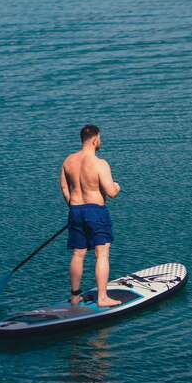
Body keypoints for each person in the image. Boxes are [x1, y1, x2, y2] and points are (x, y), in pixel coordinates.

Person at [60, 125, 122, 307]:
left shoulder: (68, 161)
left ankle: (75, 296)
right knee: (101, 253)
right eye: (100, 139)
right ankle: (102, 297)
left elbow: (64, 187)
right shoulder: (100, 164)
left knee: (78, 254)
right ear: (95, 141)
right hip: (95, 211)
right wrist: (117, 186)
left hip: (75, 209)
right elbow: (111, 192)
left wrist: (73, 207)